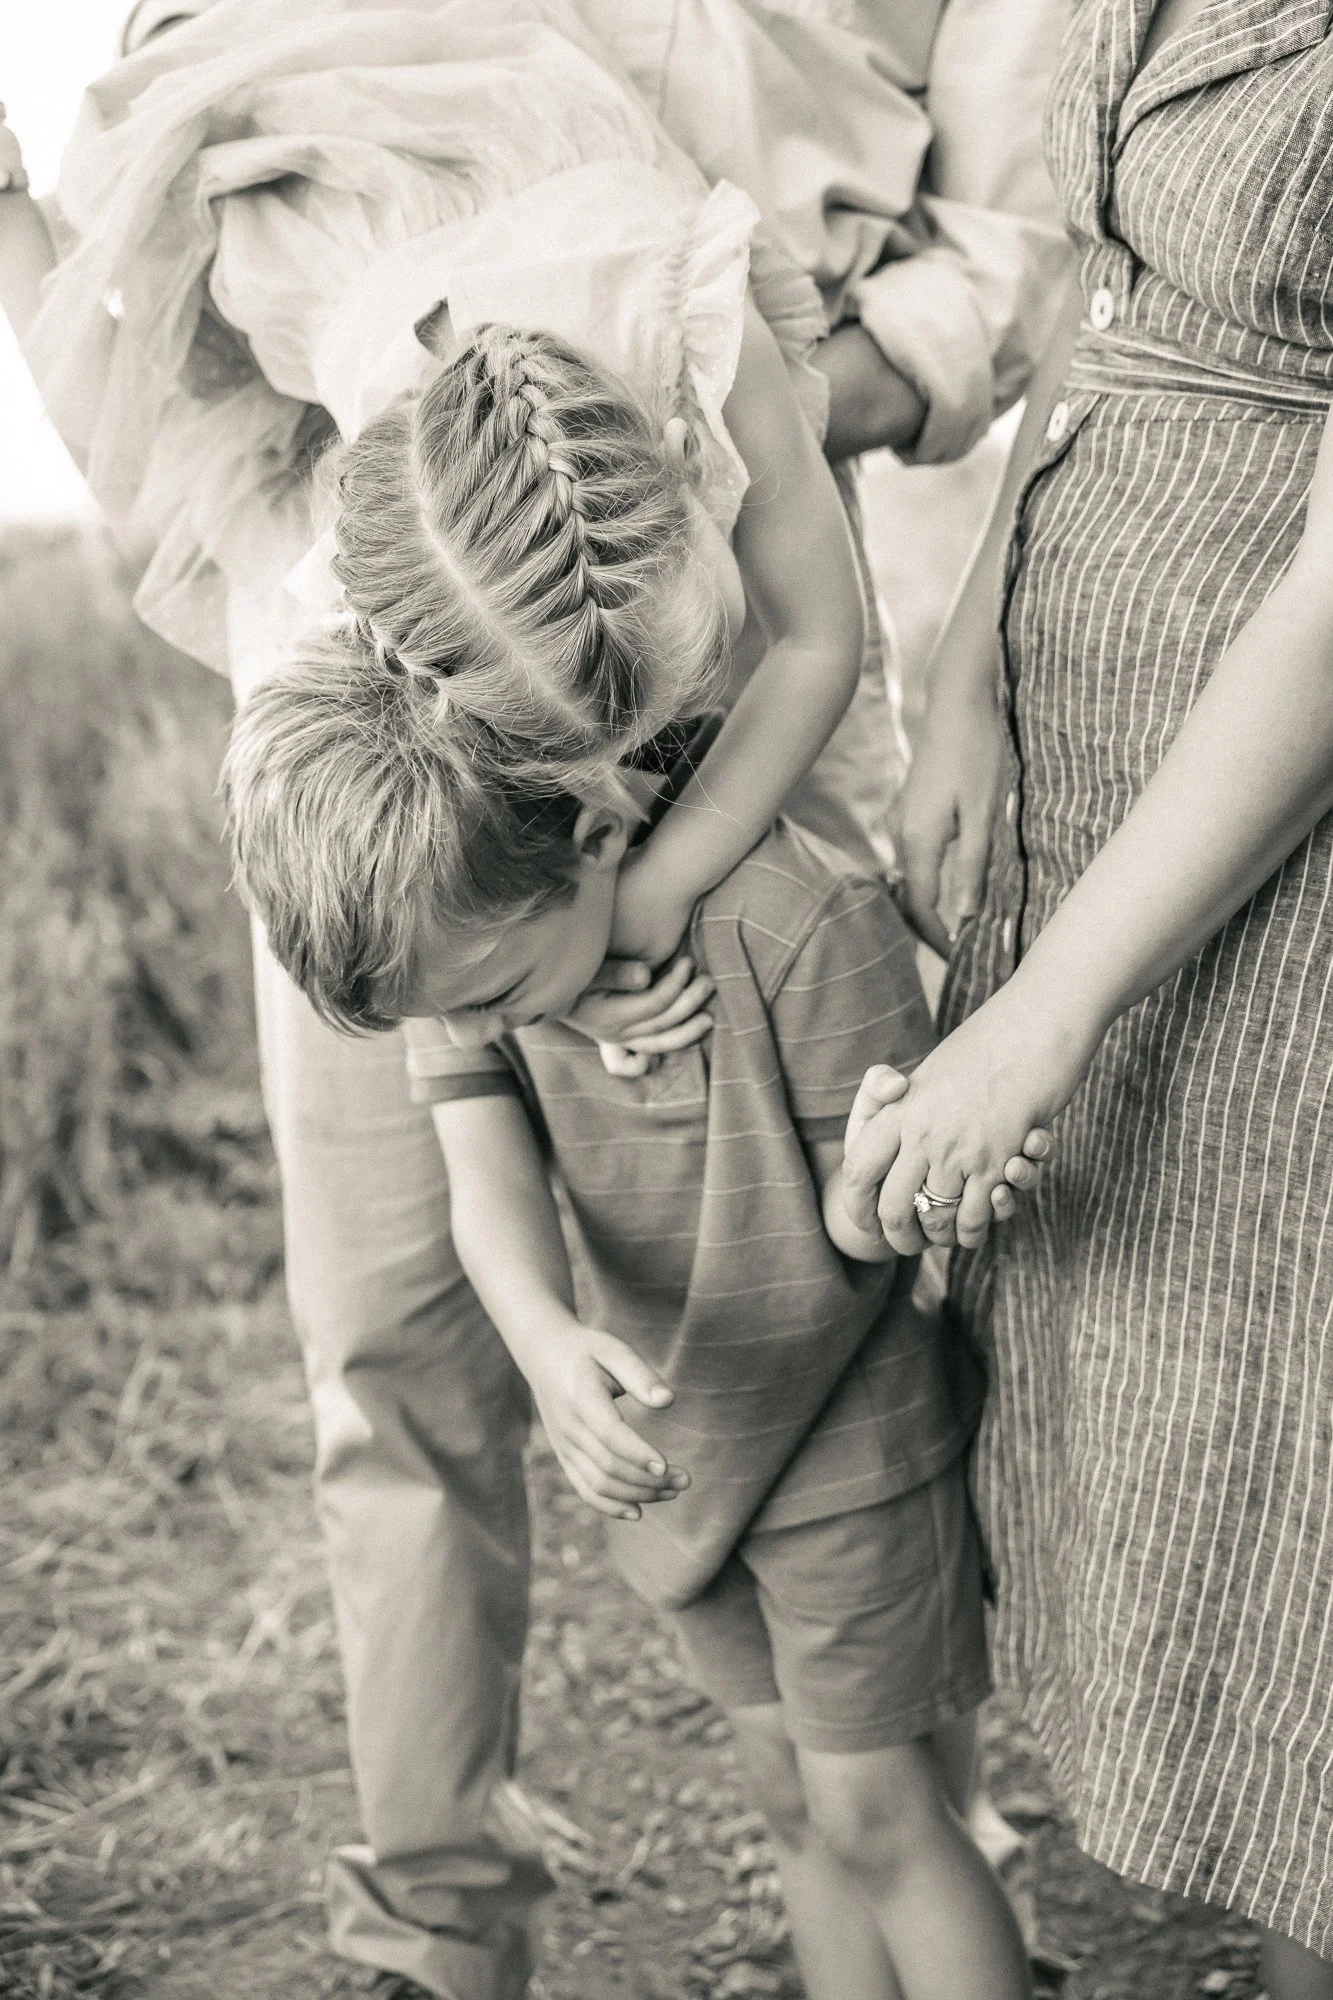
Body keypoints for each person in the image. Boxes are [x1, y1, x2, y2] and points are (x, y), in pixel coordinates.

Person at [4, 1, 1065, 1988]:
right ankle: (439, 1918)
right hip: (439, 775)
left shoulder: (689, 312)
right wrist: (501, 950)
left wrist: (662, 874)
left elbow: (831, 596)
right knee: (396, 1320)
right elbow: (155, 452)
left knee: (814, 1248)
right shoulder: (354, 582)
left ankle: (914, 1777)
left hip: (718, 610)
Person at [220, 333, 1050, 2000]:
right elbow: (482, 1168)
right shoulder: (474, 925)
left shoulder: (795, 921)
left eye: (521, 992)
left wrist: (877, 1175)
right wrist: (542, 1341)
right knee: (782, 1803)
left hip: (846, 1447)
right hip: (693, 1455)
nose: (527, 1022)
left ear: (603, 835)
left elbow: (867, 1232)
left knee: (883, 1810)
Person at [843, 0, 1333, 1992]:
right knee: (1180, 1408)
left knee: (1308, 1462)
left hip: (1277, 837)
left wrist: (1041, 1019)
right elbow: (1110, 286)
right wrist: (971, 659)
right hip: (1102, 759)